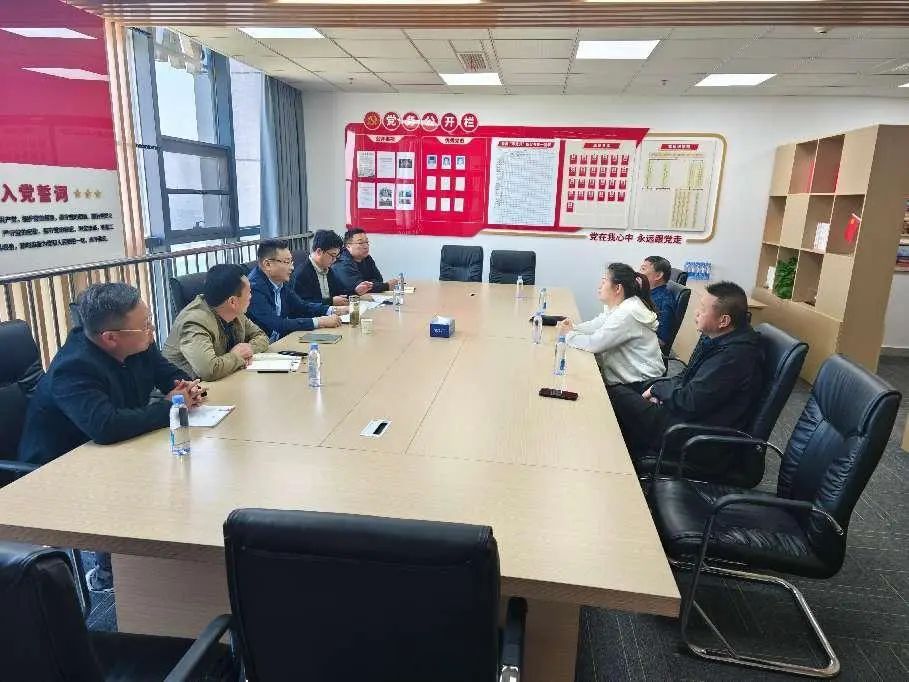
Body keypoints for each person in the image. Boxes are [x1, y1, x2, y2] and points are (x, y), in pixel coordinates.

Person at [18, 282, 203, 592]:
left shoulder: (138, 344)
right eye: (144, 325)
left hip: (116, 450)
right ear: (110, 338)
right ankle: (112, 572)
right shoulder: (74, 367)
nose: (151, 329)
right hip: (58, 468)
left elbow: (168, 374)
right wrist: (171, 406)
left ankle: (164, 563)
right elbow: (106, 427)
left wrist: (185, 388)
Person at [607, 281, 764, 457]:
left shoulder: (733, 357)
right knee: (627, 390)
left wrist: (659, 391)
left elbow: (690, 401)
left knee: (614, 395)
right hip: (686, 416)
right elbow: (686, 376)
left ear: (724, 321)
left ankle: (620, 460)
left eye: (703, 309)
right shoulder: (717, 339)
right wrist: (661, 392)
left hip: (695, 435)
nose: (697, 312)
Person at [557, 263, 664, 392]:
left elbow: (595, 344)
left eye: (604, 282)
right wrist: (573, 328)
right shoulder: (621, 305)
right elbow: (596, 325)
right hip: (630, 378)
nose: (599, 286)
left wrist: (569, 335)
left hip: (639, 385)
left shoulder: (627, 313)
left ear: (618, 288)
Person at [162, 263, 270, 381]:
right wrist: (237, 356)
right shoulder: (194, 322)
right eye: (248, 292)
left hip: (222, 380)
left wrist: (248, 349)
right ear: (232, 302)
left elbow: (261, 336)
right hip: (186, 387)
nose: (251, 296)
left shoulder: (234, 312)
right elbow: (209, 370)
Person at [248, 239, 345, 339]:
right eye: (287, 262)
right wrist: (320, 321)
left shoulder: (281, 281)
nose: (292, 268)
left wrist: (334, 310)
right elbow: (278, 324)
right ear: (267, 264)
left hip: (283, 340)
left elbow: (302, 306)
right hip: (263, 345)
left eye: (291, 262)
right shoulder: (253, 288)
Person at [331, 228, 399, 296]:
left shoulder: (367, 258)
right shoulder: (342, 262)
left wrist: (373, 285)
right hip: (346, 300)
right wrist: (387, 285)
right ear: (348, 246)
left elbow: (379, 279)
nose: (366, 246)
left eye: (367, 242)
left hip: (365, 298)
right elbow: (360, 288)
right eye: (360, 243)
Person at [292, 229, 349, 306]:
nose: (334, 260)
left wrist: (354, 292)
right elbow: (303, 304)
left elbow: (340, 291)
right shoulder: (301, 274)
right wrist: (331, 302)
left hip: (333, 311)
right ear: (319, 252)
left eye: (336, 256)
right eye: (332, 255)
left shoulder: (329, 270)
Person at [640, 256, 675, 350]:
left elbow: (662, 341)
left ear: (658, 275)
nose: (639, 273)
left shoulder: (664, 301)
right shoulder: (646, 293)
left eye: (643, 269)